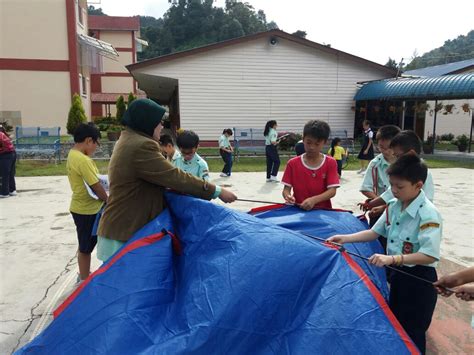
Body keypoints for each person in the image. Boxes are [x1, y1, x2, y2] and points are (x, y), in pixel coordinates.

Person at [97, 99, 237, 262]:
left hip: (121, 227)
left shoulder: (129, 138)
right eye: (159, 122)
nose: (162, 127)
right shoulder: (141, 146)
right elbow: (177, 177)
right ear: (147, 122)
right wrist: (217, 191)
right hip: (124, 231)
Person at [328, 154, 441, 354]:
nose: (394, 191)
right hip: (399, 276)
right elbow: (374, 233)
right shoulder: (394, 207)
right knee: (396, 325)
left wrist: (393, 259)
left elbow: (429, 255)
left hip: (420, 281)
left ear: (418, 185)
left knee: (413, 332)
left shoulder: (428, 214)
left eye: (400, 187)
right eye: (391, 186)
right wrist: (344, 238)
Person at [66, 123, 108, 282]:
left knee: (84, 244)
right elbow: (96, 185)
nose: (96, 148)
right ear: (89, 140)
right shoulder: (84, 160)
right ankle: (84, 279)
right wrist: (108, 199)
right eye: (96, 143)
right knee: (85, 247)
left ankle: (84, 275)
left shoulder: (72, 154)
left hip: (80, 207)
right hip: (87, 210)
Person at [361, 130, 435, 216]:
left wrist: (374, 205)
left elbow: (425, 201)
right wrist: (376, 205)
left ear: (411, 153)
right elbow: (390, 195)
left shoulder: (424, 173)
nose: (397, 160)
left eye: (398, 156)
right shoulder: (401, 171)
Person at [282, 120, 340, 210]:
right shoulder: (292, 163)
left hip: (323, 211)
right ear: (303, 139)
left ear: (324, 142)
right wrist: (288, 196)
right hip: (298, 210)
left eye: (317, 144)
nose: (312, 147)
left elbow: (332, 191)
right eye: (308, 142)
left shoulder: (330, 163)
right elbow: (286, 189)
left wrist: (314, 200)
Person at [360, 125, 401, 231]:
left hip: (400, 214)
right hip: (378, 213)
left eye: (386, 148)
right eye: (380, 147)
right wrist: (377, 203)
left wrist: (384, 206)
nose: (383, 150)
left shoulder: (405, 165)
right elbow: (366, 188)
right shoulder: (375, 164)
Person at [0, 125, 17, 198]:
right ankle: (12, 190)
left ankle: (4, 193)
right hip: (12, 153)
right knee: (10, 173)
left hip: (5, 155)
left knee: (4, 174)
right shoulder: (3, 134)